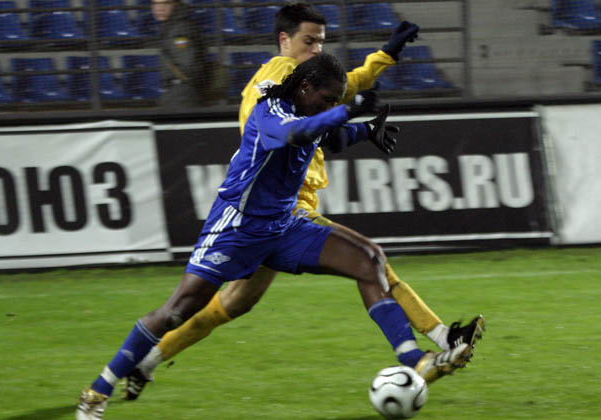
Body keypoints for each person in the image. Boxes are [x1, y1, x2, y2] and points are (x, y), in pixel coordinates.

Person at [76, 53, 474, 420]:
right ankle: (97, 391)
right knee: (176, 312)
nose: (330, 106)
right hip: (236, 229)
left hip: (283, 227)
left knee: (369, 260)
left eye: (335, 101)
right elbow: (296, 134)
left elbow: (328, 136)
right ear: (305, 87)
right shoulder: (270, 111)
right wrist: (346, 111)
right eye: (327, 99)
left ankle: (413, 359)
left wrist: (366, 130)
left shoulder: (312, 110)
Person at [152, 0, 225, 107]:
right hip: (180, 91)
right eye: (155, 3)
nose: (160, 8)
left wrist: (182, 86)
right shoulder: (172, 26)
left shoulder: (179, 29)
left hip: (182, 93)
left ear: (176, 5)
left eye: (166, 3)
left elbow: (187, 63)